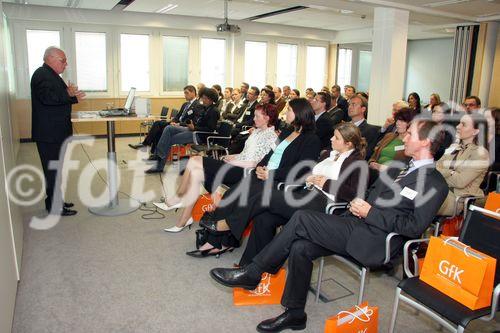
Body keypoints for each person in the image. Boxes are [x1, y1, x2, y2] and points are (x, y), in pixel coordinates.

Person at [209, 119, 449, 333]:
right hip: (353, 223)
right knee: (301, 246)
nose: (404, 137)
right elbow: (367, 194)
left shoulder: (435, 184)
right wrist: (360, 204)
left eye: (411, 135)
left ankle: (254, 272)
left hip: (375, 240)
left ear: (426, 142)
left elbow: (414, 227)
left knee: (302, 218)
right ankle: (295, 313)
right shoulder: (399, 168)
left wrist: (370, 212)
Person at [196, 98, 321, 257]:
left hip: (280, 181)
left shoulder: (311, 140)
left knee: (248, 194)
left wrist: (271, 173)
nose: (285, 112)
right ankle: (217, 242)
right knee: (231, 193)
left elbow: (301, 170)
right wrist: (261, 167)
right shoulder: (287, 131)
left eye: (288, 110)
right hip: (265, 173)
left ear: (300, 113)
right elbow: (271, 153)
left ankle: (225, 229)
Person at [238, 123, 368, 266]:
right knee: (264, 218)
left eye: (336, 138)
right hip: (306, 193)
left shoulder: (358, 163)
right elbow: (309, 174)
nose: (331, 139)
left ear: (348, 143)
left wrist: (326, 183)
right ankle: (249, 266)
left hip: (322, 203)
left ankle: (228, 226)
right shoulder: (328, 155)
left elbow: (355, 194)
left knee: (264, 193)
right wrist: (309, 179)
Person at [159, 104, 279, 234]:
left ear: (267, 118)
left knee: (194, 160)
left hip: (244, 173)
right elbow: (245, 154)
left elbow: (257, 164)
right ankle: (184, 220)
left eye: (257, 116)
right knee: (196, 173)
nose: (253, 119)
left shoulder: (271, 137)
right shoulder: (256, 131)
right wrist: (231, 156)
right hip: (236, 166)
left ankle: (177, 197)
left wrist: (235, 162)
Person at [31, 46, 85, 216]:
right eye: (63, 60)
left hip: (55, 133)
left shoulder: (51, 75)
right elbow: (48, 98)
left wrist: (70, 95)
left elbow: (57, 96)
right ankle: (55, 206)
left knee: (56, 169)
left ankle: (55, 201)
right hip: (49, 134)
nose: (66, 64)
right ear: (51, 59)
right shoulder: (42, 75)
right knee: (53, 170)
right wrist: (69, 94)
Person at [145, 88, 220, 173]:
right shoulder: (206, 108)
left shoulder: (213, 111)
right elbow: (198, 123)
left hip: (199, 135)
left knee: (170, 139)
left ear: (211, 99)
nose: (203, 100)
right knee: (169, 128)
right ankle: (158, 156)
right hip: (193, 130)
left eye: (205, 98)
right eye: (203, 98)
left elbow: (210, 129)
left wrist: (194, 128)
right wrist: (191, 125)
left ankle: (159, 162)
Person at [436, 113, 489, 216]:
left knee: (420, 203)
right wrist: (451, 173)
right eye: (459, 123)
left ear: (475, 131)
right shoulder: (454, 147)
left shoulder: (481, 154)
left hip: (457, 199)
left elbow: (460, 182)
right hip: (441, 190)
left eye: (463, 124)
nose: (457, 126)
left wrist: (442, 172)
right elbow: (435, 167)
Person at [129, 85, 201, 155]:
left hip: (183, 126)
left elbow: (194, 122)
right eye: (184, 93)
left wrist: (179, 124)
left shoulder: (197, 105)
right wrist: (173, 121)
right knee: (158, 127)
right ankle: (153, 152)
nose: (185, 95)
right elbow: (178, 116)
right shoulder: (185, 104)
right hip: (175, 124)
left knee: (158, 125)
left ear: (193, 93)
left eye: (186, 93)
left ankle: (148, 146)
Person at [368, 108, 415, 184]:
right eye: (397, 120)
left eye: (402, 121)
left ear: (410, 124)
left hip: (391, 179)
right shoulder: (389, 136)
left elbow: (404, 168)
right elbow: (374, 155)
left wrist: (382, 168)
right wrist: (372, 163)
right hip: (374, 172)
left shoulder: (411, 143)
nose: (398, 123)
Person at [347, 95, 380, 160]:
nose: (349, 107)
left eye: (353, 105)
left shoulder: (371, 130)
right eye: (349, 105)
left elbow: (366, 153)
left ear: (363, 109)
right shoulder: (343, 126)